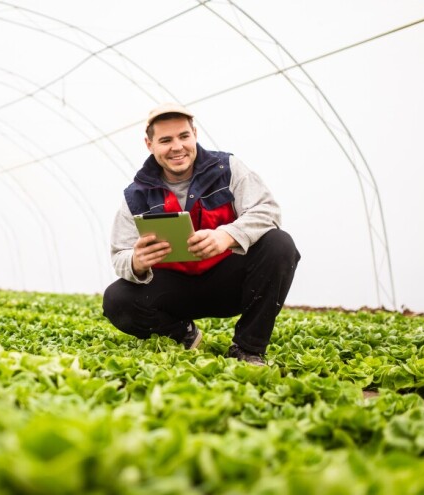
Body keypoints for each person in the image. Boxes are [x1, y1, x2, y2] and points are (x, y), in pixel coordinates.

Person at [102, 103, 300, 365]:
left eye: (184, 136)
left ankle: (248, 348)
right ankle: (182, 333)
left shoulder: (227, 168)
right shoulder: (136, 194)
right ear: (149, 145)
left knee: (279, 244)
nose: (177, 147)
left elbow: (267, 210)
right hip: (175, 291)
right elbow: (120, 254)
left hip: (228, 283)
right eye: (166, 140)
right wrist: (136, 262)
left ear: (194, 134)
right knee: (116, 299)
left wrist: (226, 235)